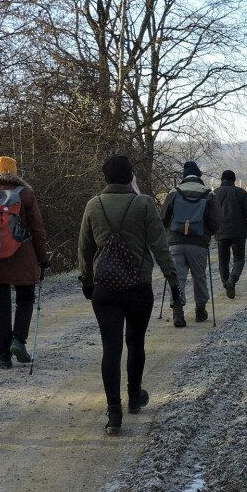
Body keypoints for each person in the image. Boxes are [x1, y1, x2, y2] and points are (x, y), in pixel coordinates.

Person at [78, 155, 182, 436]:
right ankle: (134, 396)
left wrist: (87, 281)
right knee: (135, 343)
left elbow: (84, 249)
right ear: (130, 176)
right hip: (138, 288)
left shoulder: (93, 205)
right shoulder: (144, 203)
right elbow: (160, 246)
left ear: (106, 177)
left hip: (105, 289)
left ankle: (114, 414)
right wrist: (173, 280)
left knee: (110, 349)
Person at [0, 156, 50, 369]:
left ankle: (4, 356)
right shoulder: (26, 194)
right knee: (25, 299)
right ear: (15, 172)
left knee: (0, 307)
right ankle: (18, 340)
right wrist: (43, 259)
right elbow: (37, 229)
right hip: (23, 255)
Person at [161, 161, 220, 327]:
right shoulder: (209, 193)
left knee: (177, 277)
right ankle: (200, 310)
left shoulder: (174, 192)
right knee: (199, 276)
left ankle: (178, 312)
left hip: (175, 242)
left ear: (184, 176)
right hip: (198, 243)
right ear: (199, 176)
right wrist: (206, 234)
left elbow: (163, 217)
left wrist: (169, 233)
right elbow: (215, 222)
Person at [213, 169, 247, 299]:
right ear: (234, 180)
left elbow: (208, 214)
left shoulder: (214, 194)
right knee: (239, 259)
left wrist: (206, 231)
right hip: (238, 232)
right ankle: (232, 280)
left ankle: (226, 283)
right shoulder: (241, 193)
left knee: (223, 261)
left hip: (221, 232)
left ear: (222, 180)